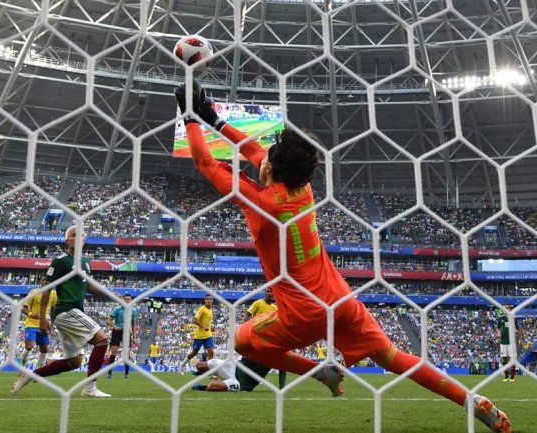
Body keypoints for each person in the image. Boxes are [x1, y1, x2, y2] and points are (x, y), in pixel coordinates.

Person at [174, 81, 512, 433]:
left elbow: (204, 160)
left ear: (271, 169)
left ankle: (318, 371)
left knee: (243, 341)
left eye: (267, 156)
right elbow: (254, 150)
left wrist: (190, 116)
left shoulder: (263, 204)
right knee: (395, 358)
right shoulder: (302, 188)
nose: (261, 154)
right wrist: (212, 118)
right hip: (340, 302)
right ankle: (472, 400)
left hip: (302, 315)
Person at [10, 226, 112, 398]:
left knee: (74, 362)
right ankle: (90, 389)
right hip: (66, 309)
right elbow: (46, 289)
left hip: (73, 312)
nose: (78, 237)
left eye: (82, 235)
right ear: (67, 240)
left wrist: (110, 294)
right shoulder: (60, 261)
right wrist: (42, 320)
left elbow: (89, 287)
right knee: (102, 340)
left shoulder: (86, 261)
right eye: (74, 235)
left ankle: (30, 375)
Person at [245, 289, 286, 389]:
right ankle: (245, 381)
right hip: (256, 337)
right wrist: (246, 327)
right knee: (250, 360)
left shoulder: (275, 308)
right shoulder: (258, 303)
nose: (269, 293)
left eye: (271, 292)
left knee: (282, 360)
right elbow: (247, 315)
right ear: (265, 293)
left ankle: (282, 387)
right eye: (267, 291)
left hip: (270, 339)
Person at [190, 357, 281, 392]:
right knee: (199, 366)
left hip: (241, 381)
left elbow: (283, 369)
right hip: (234, 366)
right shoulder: (257, 346)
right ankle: (205, 372)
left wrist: (281, 388)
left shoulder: (274, 357)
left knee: (212, 386)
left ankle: (201, 387)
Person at [19, 287, 57, 368]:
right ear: (41, 281)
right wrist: (30, 314)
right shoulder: (34, 292)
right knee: (29, 346)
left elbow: (53, 310)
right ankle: (22, 368)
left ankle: (39, 371)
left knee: (44, 349)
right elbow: (23, 308)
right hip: (31, 323)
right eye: (43, 281)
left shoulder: (54, 294)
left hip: (44, 324)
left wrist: (52, 325)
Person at [179, 294, 215, 374]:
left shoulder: (211, 310)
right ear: (205, 300)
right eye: (207, 299)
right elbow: (194, 320)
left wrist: (211, 328)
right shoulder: (202, 309)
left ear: (212, 300)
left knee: (211, 352)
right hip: (199, 336)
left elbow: (207, 322)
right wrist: (204, 327)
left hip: (208, 335)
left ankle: (210, 370)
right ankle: (182, 365)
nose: (209, 300)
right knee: (194, 352)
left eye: (210, 299)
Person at [107, 293, 137, 379]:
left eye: (128, 299)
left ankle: (126, 373)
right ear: (122, 300)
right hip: (117, 332)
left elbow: (133, 323)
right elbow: (109, 321)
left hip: (127, 332)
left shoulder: (133, 310)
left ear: (131, 300)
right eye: (125, 299)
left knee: (127, 353)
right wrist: (115, 326)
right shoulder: (117, 309)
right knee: (114, 352)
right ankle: (109, 372)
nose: (127, 300)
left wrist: (134, 334)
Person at [497, 307, 517, 382]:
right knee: (504, 358)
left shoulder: (513, 319)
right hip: (503, 342)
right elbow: (497, 328)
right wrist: (498, 333)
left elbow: (518, 329)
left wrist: (518, 336)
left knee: (512, 359)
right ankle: (506, 376)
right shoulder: (500, 319)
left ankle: (512, 377)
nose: (506, 310)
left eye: (508, 308)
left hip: (511, 342)